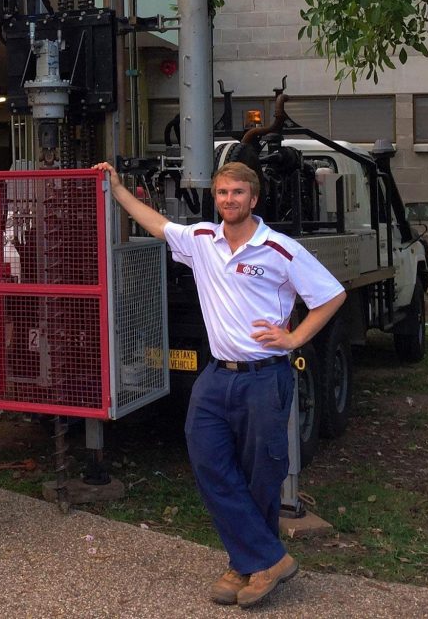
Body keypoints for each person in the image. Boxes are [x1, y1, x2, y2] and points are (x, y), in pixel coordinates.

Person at [95, 159, 346, 608]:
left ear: (254, 199)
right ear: (216, 197)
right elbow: (157, 224)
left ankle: (244, 565)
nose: (229, 200)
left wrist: (294, 337)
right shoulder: (202, 240)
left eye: (237, 193)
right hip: (216, 376)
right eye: (222, 193)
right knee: (208, 461)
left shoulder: (280, 249)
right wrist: (117, 190)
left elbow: (331, 295)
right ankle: (270, 558)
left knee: (260, 476)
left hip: (265, 377)